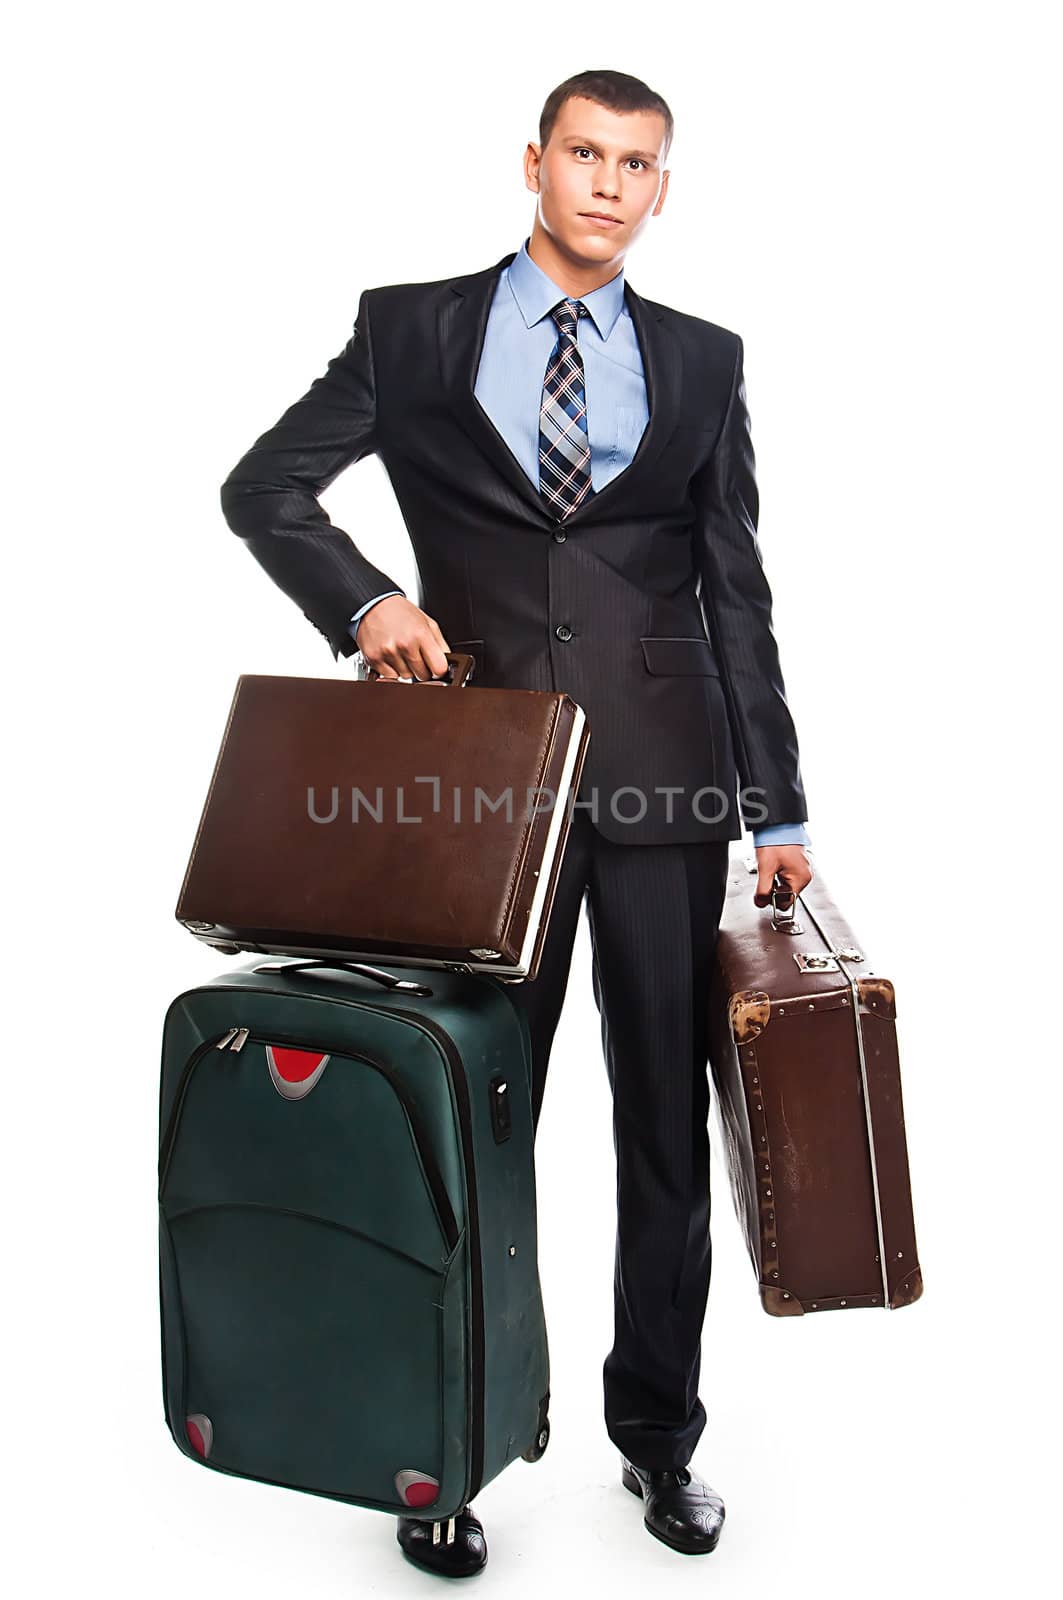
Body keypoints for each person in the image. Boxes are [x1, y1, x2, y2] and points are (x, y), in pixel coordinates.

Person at [220, 66, 814, 1576]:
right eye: (585, 154)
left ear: (662, 189)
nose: (609, 183)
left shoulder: (702, 360)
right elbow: (266, 487)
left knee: (664, 1134)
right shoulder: (411, 329)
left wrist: (778, 808)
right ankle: (447, 1445)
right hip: (474, 793)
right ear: (533, 163)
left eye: (639, 163)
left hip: (668, 789)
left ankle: (657, 1438)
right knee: (471, 1126)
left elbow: (733, 592)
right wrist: (369, 601)